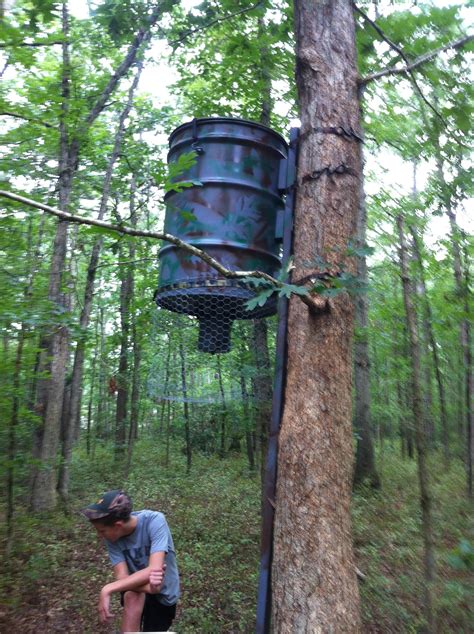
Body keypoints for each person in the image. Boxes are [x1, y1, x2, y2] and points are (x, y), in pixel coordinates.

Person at [80, 489, 179, 632]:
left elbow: (154, 569)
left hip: (164, 593)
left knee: (154, 629)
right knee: (131, 597)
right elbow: (122, 577)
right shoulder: (112, 537)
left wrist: (107, 589)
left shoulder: (155, 521)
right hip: (137, 588)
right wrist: (148, 588)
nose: (100, 536)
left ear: (118, 525)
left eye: (102, 531)